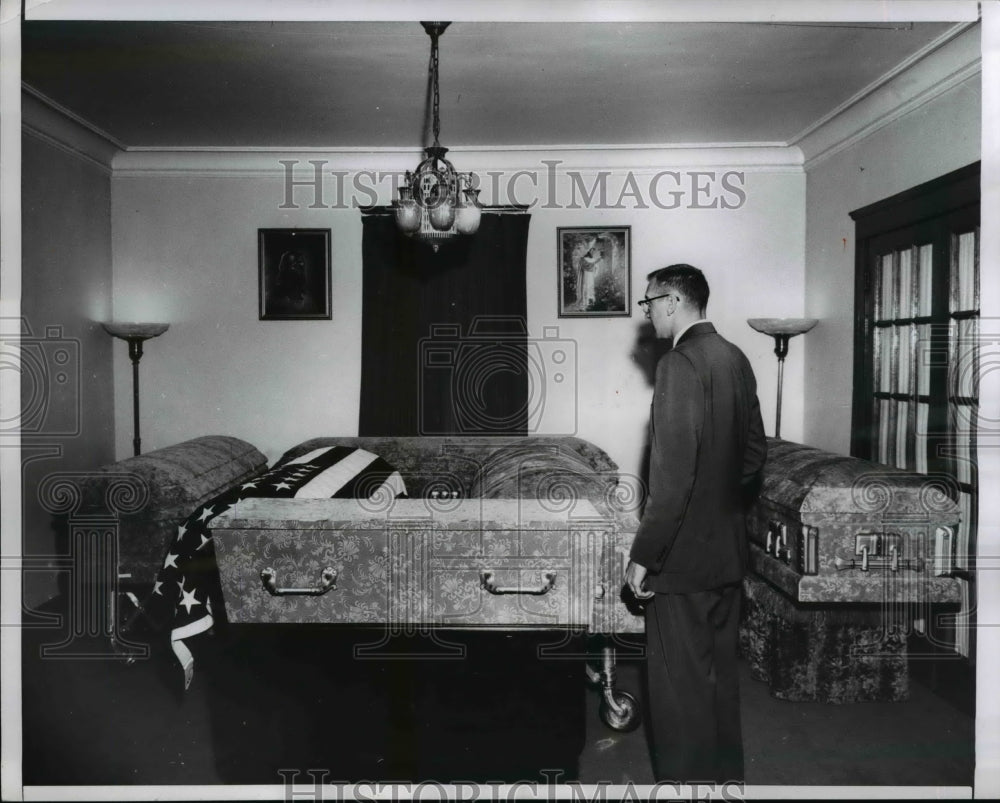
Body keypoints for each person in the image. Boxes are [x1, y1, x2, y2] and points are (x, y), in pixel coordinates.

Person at [625, 263, 767, 784]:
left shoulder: (678, 365)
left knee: (678, 697)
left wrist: (644, 556)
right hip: (727, 555)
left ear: (672, 302)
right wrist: (720, 507)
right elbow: (754, 455)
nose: (648, 314)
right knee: (718, 685)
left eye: (648, 303)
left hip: (681, 564)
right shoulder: (734, 357)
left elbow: (672, 481)